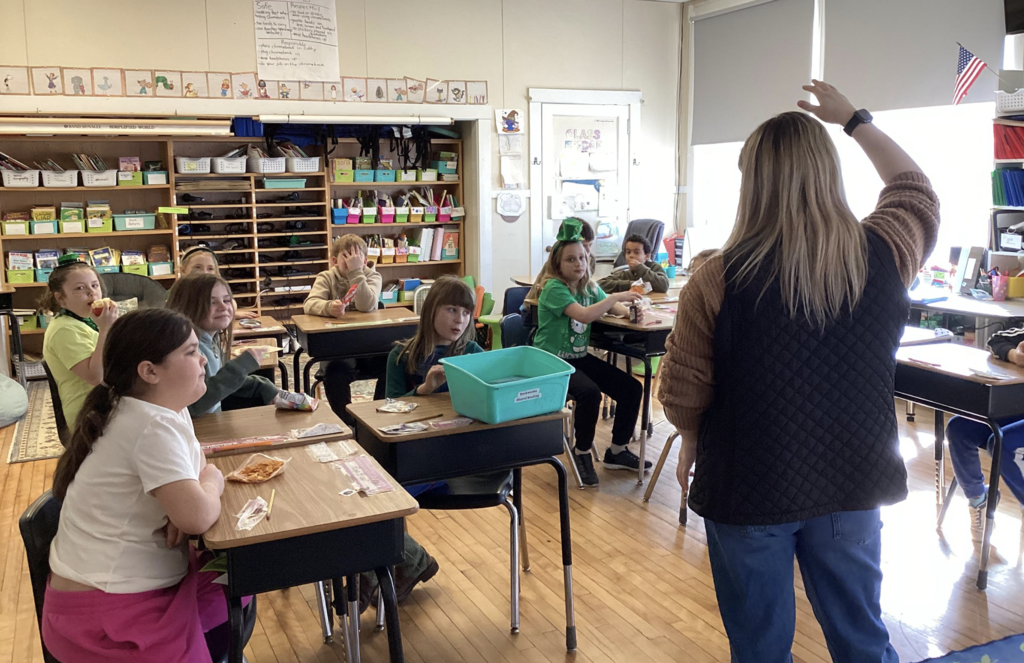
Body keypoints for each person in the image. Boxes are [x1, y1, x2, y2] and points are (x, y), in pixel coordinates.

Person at [658, 80, 939, 662]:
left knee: (760, 649)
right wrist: (856, 120)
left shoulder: (716, 277)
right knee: (863, 640)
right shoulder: (886, 251)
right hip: (853, 483)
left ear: (752, 185)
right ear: (827, 175)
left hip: (748, 484)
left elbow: (686, 389)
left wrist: (689, 438)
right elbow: (915, 191)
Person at [43, 308, 237, 662]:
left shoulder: (161, 408)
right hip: (103, 619)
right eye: (191, 352)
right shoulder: (149, 425)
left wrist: (188, 498)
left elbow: (192, 474)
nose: (204, 361)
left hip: (117, 591)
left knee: (238, 581)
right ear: (149, 371)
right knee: (236, 581)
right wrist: (212, 482)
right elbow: (197, 513)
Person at [532, 219, 648, 485]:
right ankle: (582, 451)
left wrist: (633, 311)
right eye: (571, 259)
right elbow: (583, 316)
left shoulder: (590, 287)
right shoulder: (553, 288)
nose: (579, 263)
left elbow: (615, 311)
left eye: (582, 257)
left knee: (631, 388)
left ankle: (617, 451)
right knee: (589, 393)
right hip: (551, 362)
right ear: (557, 265)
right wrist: (614, 298)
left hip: (577, 358)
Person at [946, 327, 1024, 540]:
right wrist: (1013, 355)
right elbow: (997, 339)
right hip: (1017, 408)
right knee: (958, 428)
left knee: (1001, 443)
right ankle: (978, 499)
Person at [166, 273, 282, 417]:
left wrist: (260, 384)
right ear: (188, 306)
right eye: (212, 302)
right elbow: (195, 405)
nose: (223, 307)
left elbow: (218, 381)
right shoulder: (188, 351)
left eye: (226, 300)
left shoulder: (211, 341)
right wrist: (240, 367)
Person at [303, 234, 386, 424]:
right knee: (335, 375)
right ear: (334, 261)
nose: (353, 263)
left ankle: (378, 417)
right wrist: (328, 307)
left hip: (369, 347)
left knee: (392, 364)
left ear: (364, 260)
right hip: (338, 351)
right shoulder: (326, 277)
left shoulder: (372, 275)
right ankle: (348, 423)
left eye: (358, 259)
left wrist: (357, 273)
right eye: (347, 258)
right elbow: (309, 303)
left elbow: (367, 305)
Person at [40, 255, 119, 428]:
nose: (91, 292)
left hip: (109, 402)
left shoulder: (89, 320)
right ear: (60, 298)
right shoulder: (64, 330)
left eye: (95, 285)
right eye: (80, 288)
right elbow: (95, 377)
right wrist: (107, 329)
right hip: (89, 413)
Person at [386, 275, 485, 398]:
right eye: (452, 310)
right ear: (431, 311)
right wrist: (425, 389)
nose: (460, 320)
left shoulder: (473, 352)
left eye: (466, 313)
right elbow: (391, 409)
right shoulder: (401, 355)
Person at [178, 246, 258, 320]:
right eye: (197, 267)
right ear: (183, 270)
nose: (205, 272)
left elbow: (232, 304)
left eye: (210, 268)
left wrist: (229, 313)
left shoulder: (216, 289)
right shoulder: (178, 292)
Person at [598, 233, 670, 293]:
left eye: (636, 252)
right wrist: (630, 284)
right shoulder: (626, 274)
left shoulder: (654, 268)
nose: (631, 256)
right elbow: (599, 284)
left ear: (647, 256)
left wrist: (640, 268)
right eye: (628, 252)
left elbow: (664, 286)